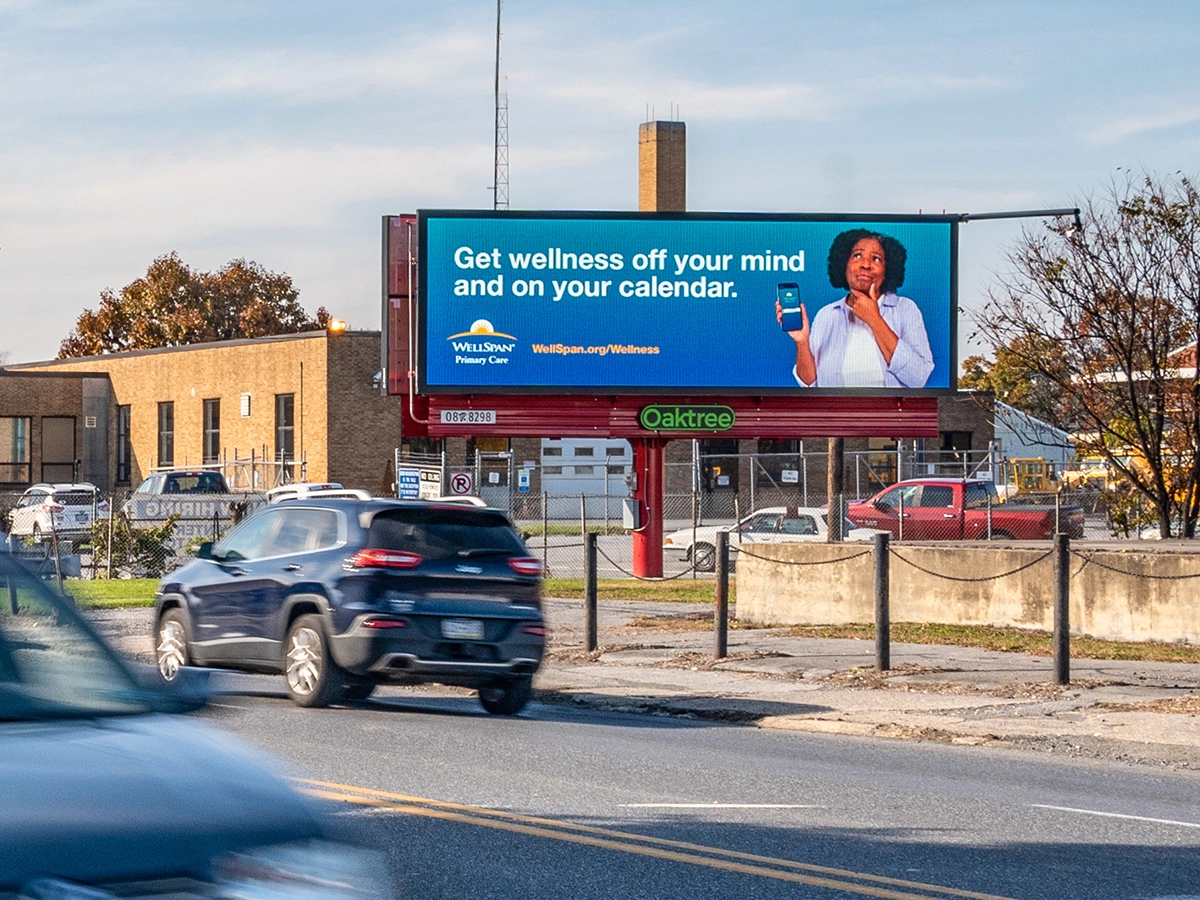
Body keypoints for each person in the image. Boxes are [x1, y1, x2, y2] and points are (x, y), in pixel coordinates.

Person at [775, 229, 934, 387]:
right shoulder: (826, 315)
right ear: (844, 264)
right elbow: (810, 384)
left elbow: (919, 377)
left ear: (887, 271)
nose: (866, 264)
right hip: (835, 411)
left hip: (888, 412)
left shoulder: (905, 309)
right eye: (857, 255)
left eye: (876, 259)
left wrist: (874, 319)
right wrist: (802, 342)